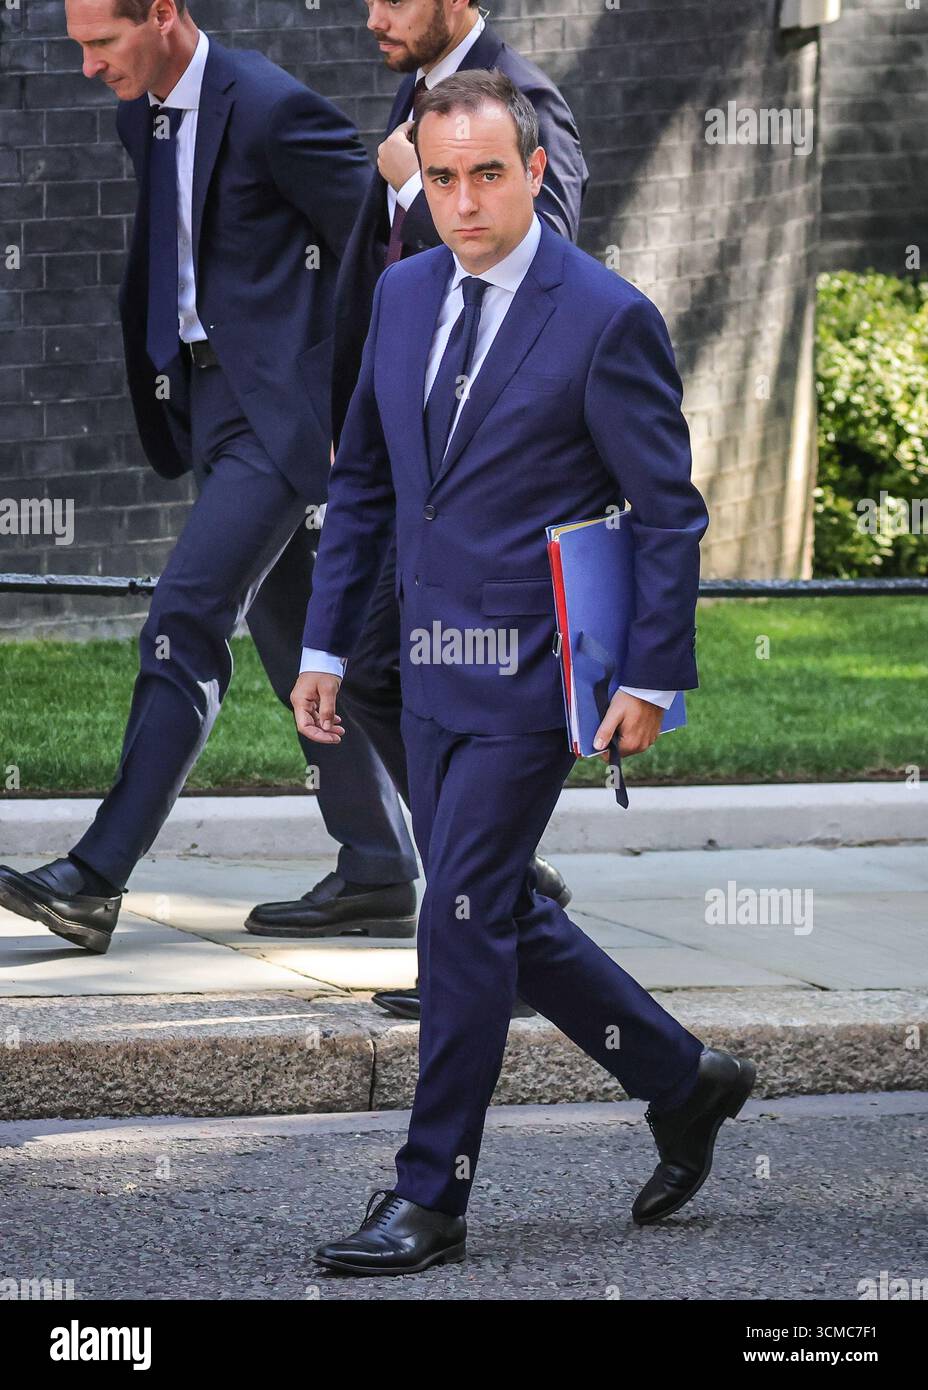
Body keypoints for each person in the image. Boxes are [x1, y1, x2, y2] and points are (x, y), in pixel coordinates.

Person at [291, 70, 757, 1276]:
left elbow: (666, 513)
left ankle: (428, 1194)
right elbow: (368, 488)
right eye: (440, 178)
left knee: (454, 921)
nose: (462, 201)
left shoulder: (603, 316)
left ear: (534, 169)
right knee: (489, 905)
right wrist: (327, 643)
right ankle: (681, 1075)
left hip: (533, 680)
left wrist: (651, 675)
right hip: (421, 667)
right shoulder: (400, 297)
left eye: (486, 173)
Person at [0, 0, 374, 954]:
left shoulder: (275, 108)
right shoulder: (143, 112)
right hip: (208, 405)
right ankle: (381, 866)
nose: (88, 67)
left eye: (102, 43)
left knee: (186, 616)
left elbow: (380, 247)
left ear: (162, 13)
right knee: (300, 643)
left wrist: (343, 409)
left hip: (283, 422)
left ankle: (94, 876)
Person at [248, 0, 585, 1025]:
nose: (371, 15)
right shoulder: (417, 100)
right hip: (406, 469)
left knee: (398, 677)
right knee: (381, 671)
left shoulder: (519, 103)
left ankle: (486, 915)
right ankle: (492, 904)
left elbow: (552, 267)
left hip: (486, 494)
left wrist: (408, 182)